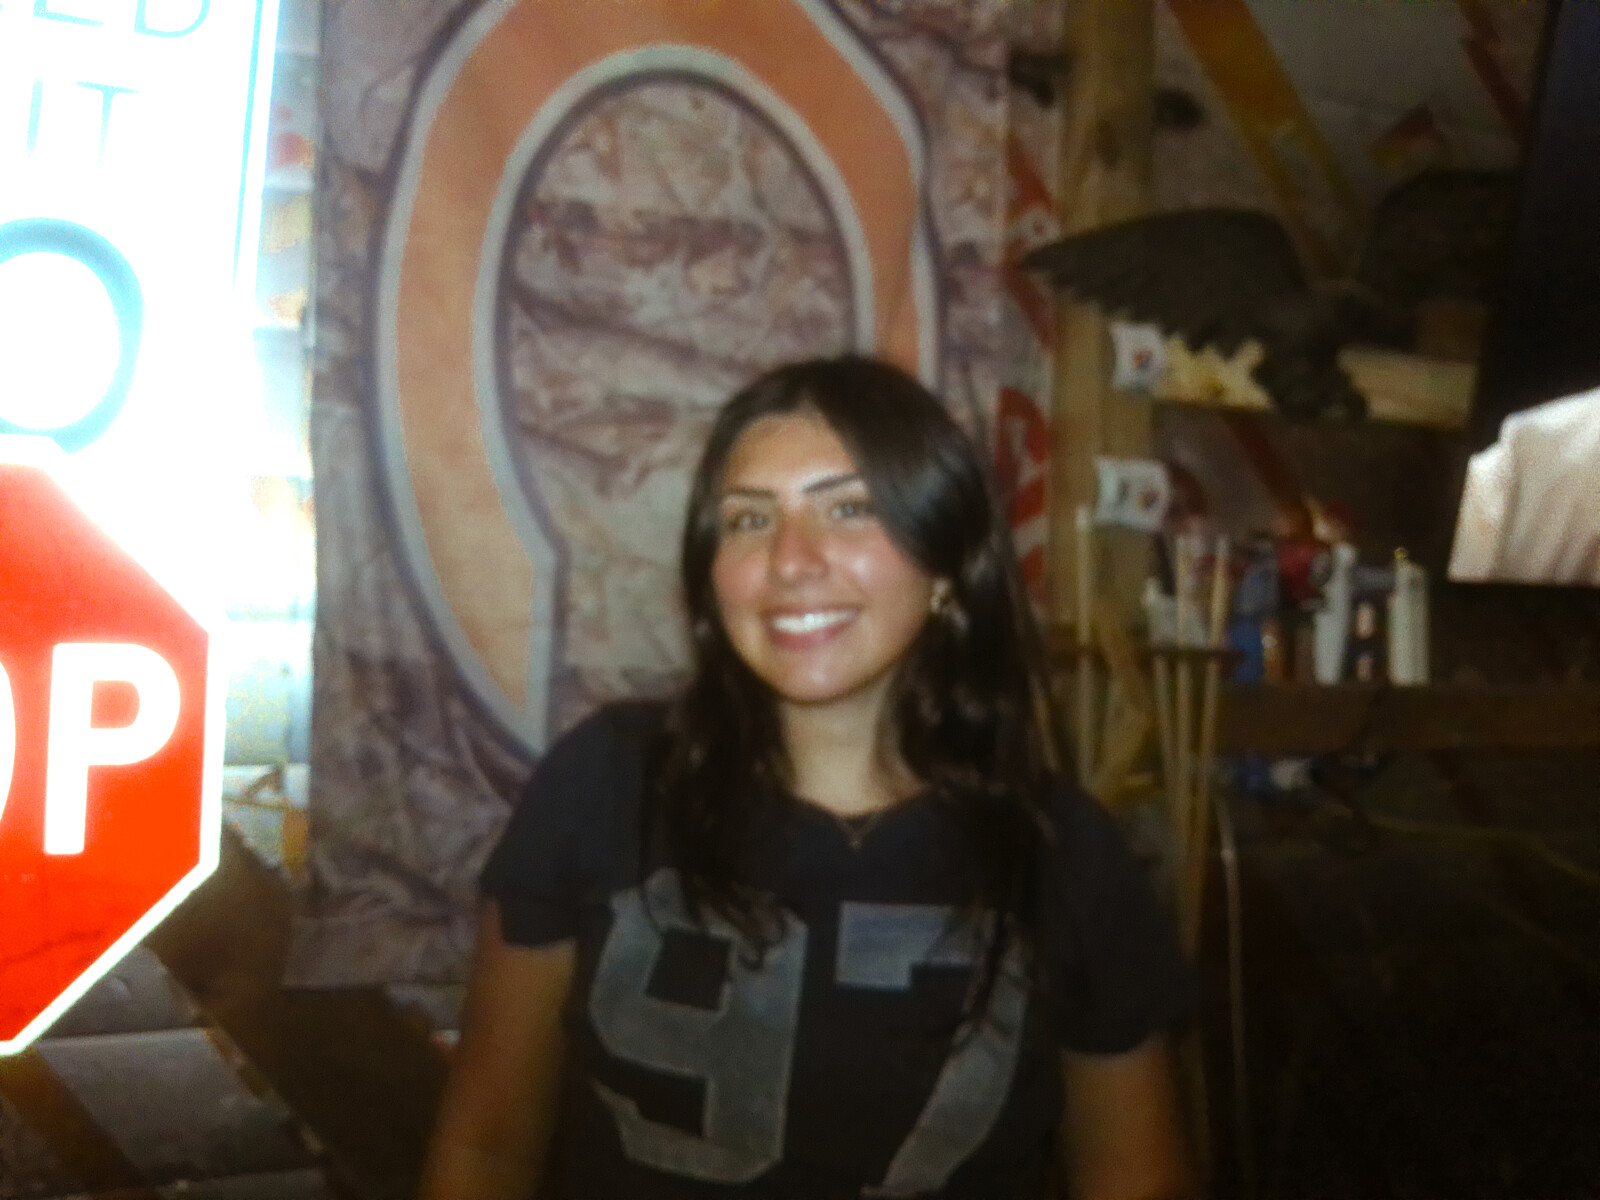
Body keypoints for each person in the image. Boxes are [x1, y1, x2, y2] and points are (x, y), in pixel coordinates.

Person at [420, 356, 1196, 1200]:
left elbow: (1136, 1180)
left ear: (944, 564)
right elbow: (486, 1147)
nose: (791, 560)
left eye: (850, 509)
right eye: (750, 519)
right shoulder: (605, 784)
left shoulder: (1063, 852)